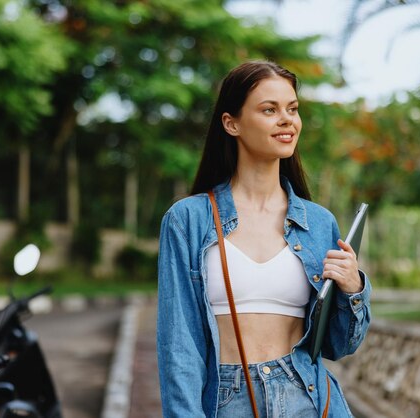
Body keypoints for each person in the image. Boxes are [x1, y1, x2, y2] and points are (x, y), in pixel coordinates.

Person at [157, 60, 371, 417]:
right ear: (232, 123)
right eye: (269, 110)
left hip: (307, 396)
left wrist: (352, 288)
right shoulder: (188, 220)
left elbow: (338, 345)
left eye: (292, 109)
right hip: (227, 399)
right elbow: (179, 348)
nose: (287, 120)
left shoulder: (319, 223)